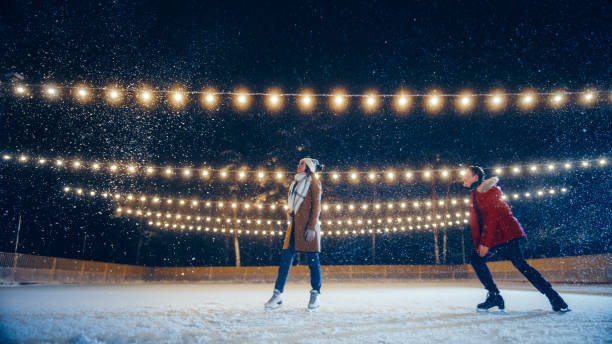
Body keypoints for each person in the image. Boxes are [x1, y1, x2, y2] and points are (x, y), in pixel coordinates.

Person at [462, 166, 570, 312]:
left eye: (466, 175)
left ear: (475, 178)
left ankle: (553, 297)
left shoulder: (486, 193)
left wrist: (485, 244)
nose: (463, 178)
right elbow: (482, 223)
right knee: (480, 260)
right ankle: (496, 295)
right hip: (499, 235)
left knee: (519, 265)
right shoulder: (476, 194)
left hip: (506, 234)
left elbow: (493, 219)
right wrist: (482, 242)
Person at [265, 158, 323, 311]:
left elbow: (317, 207)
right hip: (294, 226)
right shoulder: (295, 183)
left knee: (313, 261)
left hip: (308, 227)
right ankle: (277, 295)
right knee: (285, 261)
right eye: (298, 163)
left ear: (309, 167)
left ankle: (315, 293)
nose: (299, 165)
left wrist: (311, 227)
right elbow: (292, 205)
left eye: (302, 163)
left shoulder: (313, 182)